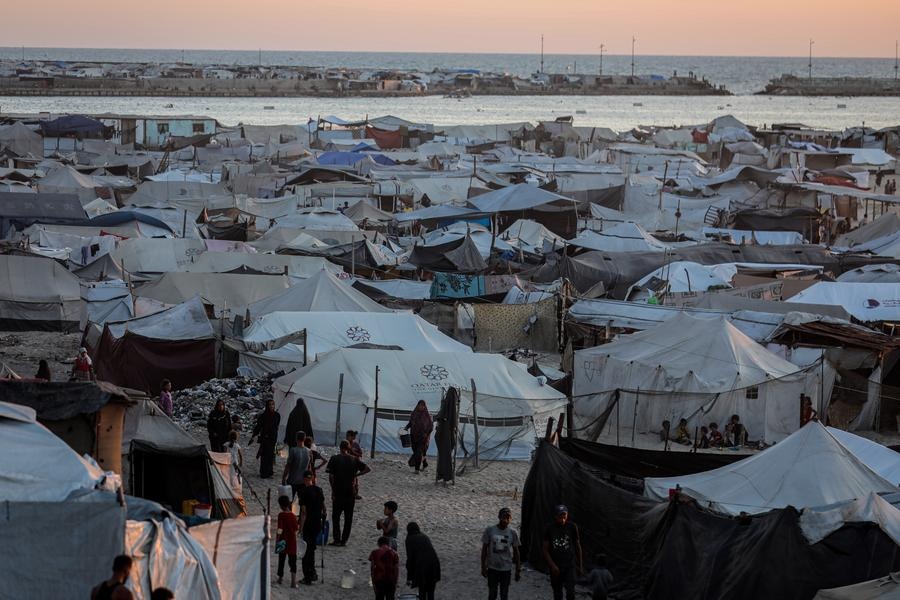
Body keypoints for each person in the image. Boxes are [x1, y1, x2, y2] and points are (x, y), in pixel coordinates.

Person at [326, 439, 371, 546]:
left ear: (340, 447)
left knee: (336, 517)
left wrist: (333, 491)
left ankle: (337, 539)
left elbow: (331, 476)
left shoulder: (334, 458)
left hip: (338, 491)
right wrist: (356, 475)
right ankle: (344, 540)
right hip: (350, 492)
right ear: (348, 448)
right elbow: (368, 469)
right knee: (348, 518)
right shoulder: (354, 459)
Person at [542, 505, 583, 600]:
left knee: (571, 592)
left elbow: (577, 546)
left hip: (569, 565)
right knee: (557, 593)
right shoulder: (549, 529)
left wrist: (580, 565)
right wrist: (552, 566)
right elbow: (545, 549)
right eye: (560, 517)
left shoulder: (572, 527)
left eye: (564, 516)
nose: (563, 519)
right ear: (555, 516)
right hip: (556, 567)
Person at [481, 507, 521, 600]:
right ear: (499, 517)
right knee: (492, 594)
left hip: (506, 569)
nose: (506, 520)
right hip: (492, 568)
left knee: (504, 594)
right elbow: (484, 550)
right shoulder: (490, 530)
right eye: (504, 517)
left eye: (508, 517)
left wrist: (518, 569)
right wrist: (483, 566)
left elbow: (516, 552)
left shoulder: (513, 533)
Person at [298, 470, 326, 584]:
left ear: (304, 479)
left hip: (308, 524)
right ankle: (313, 573)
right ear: (312, 478)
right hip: (317, 524)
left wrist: (301, 528)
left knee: (306, 551)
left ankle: (308, 576)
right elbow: (324, 509)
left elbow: (304, 512)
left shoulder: (303, 492)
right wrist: (322, 519)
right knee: (312, 549)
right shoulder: (319, 490)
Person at [405, 522, 441, 600]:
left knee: (422, 591)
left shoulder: (409, 539)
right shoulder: (424, 536)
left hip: (422, 567)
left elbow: (410, 559)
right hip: (434, 564)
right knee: (431, 592)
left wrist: (409, 577)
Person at [249, 399, 281, 478]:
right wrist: (253, 435)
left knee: (270, 455)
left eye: (273, 404)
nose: (271, 406)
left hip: (273, 438)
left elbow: (276, 426)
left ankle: (269, 472)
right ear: (267, 406)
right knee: (264, 455)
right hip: (265, 438)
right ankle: (263, 472)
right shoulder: (263, 416)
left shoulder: (277, 415)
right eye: (270, 404)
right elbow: (258, 427)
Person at [276, 495, 299, 588]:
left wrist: (278, 537)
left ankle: (280, 578)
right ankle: (293, 582)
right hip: (292, 541)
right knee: (293, 561)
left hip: (283, 540)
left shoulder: (281, 515)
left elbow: (280, 528)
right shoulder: (293, 516)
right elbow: (296, 528)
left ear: (281, 505)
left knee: (281, 560)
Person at [282, 431, 310, 502]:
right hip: (303, 481)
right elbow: (309, 468)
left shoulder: (293, 450)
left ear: (296, 439)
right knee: (303, 502)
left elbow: (288, 465)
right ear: (304, 439)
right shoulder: (308, 451)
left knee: (289, 501)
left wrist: (284, 477)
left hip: (292, 480)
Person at [407, 400, 433, 473]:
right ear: (417, 405)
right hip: (413, 436)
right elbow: (410, 423)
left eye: (422, 405)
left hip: (423, 438)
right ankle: (425, 464)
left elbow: (431, 427)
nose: (421, 407)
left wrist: (426, 434)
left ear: (425, 406)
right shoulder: (414, 414)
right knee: (416, 452)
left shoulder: (427, 416)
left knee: (418, 452)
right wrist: (406, 427)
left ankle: (417, 469)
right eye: (420, 405)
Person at [370, 536, 400, 600]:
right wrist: (395, 582)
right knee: (390, 597)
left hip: (379, 579)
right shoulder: (395, 553)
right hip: (390, 579)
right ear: (389, 543)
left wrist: (373, 582)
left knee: (379, 597)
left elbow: (372, 569)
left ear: (378, 544)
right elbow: (396, 569)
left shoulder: (374, 552)